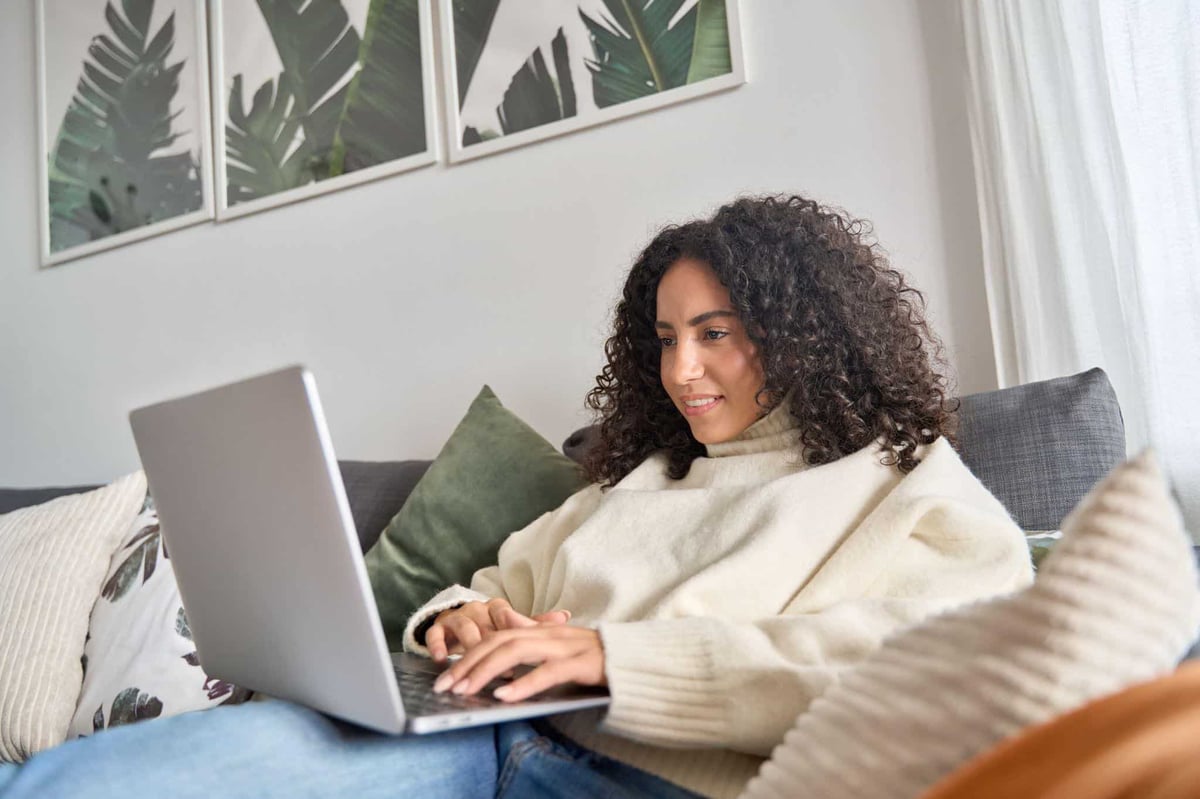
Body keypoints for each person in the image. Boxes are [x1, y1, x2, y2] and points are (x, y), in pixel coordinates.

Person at [0, 195, 1034, 799]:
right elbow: (493, 581)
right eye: (665, 340)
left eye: (714, 332)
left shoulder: (902, 479)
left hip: (638, 779)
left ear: (806, 330)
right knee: (153, 772)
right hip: (482, 741)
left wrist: (611, 657)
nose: (683, 371)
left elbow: (946, 663)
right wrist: (463, 619)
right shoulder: (638, 482)